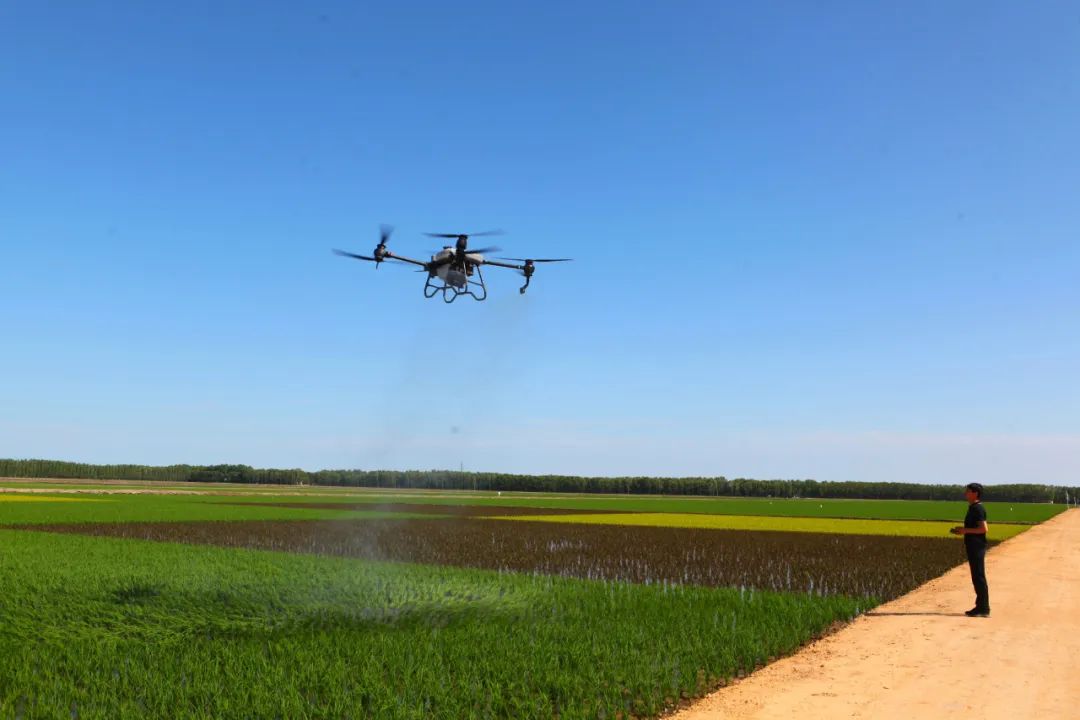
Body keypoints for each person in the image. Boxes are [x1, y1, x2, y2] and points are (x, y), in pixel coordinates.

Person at [950, 482, 990, 617]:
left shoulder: (977, 509)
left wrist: (964, 530)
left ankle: (983, 608)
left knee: (978, 576)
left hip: (977, 546)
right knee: (977, 576)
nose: (965, 493)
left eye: (968, 491)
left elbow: (984, 529)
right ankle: (981, 606)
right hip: (973, 545)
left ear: (975, 493)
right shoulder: (973, 507)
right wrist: (962, 531)